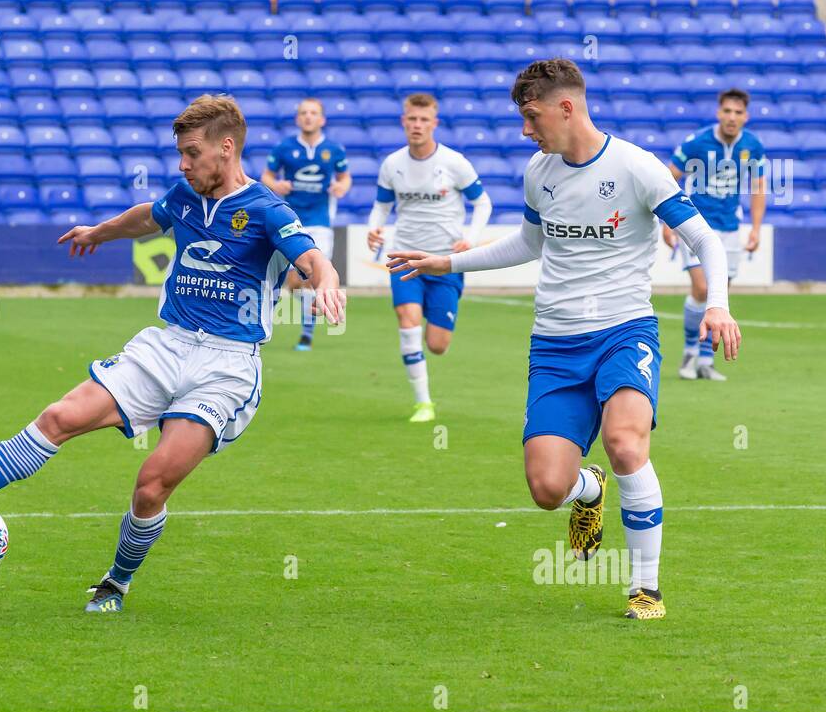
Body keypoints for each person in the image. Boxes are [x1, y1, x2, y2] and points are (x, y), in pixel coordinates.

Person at [0, 96, 346, 614]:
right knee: (59, 416)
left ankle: (116, 583)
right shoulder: (185, 195)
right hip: (166, 343)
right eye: (179, 153)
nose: (182, 163)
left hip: (225, 366)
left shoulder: (266, 209)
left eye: (191, 153)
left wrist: (326, 282)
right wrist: (98, 233)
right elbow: (146, 217)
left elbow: (311, 256)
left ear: (226, 147)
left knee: (151, 485)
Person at [386, 59, 741, 620]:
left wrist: (716, 304)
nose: (527, 129)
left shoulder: (637, 167)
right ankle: (587, 491)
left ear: (566, 107)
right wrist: (446, 262)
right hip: (554, 343)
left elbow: (707, 241)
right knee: (547, 488)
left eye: (532, 116)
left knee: (627, 443)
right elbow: (526, 245)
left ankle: (644, 587)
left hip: (625, 331)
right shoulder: (539, 171)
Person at [366, 92, 492, 423]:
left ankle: (434, 328)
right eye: (412, 119)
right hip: (404, 257)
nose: (417, 125)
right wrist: (374, 227)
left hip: (446, 262)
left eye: (424, 120)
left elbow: (483, 203)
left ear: (434, 123)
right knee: (407, 321)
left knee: (437, 344)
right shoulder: (392, 164)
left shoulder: (454, 162)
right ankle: (423, 403)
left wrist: (471, 239)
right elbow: (381, 205)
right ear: (403, 122)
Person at [662, 89, 766, 381]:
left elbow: (758, 187)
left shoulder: (753, 146)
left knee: (720, 293)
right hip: (696, 224)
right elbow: (669, 178)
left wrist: (756, 228)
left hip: (730, 227)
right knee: (701, 288)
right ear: (719, 113)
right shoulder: (697, 142)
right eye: (727, 111)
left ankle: (706, 360)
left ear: (746, 116)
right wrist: (667, 222)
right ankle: (690, 351)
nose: (732, 117)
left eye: (738, 112)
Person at [260, 97, 351, 350]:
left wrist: (341, 186)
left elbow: (345, 177)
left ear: (322, 119)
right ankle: (298, 319)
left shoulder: (334, 150)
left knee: (314, 276)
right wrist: (275, 184)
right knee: (294, 282)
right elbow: (266, 176)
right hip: (290, 221)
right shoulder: (284, 148)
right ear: (298, 118)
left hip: (320, 222)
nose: (308, 117)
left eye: (313, 113)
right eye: (304, 113)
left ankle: (306, 335)